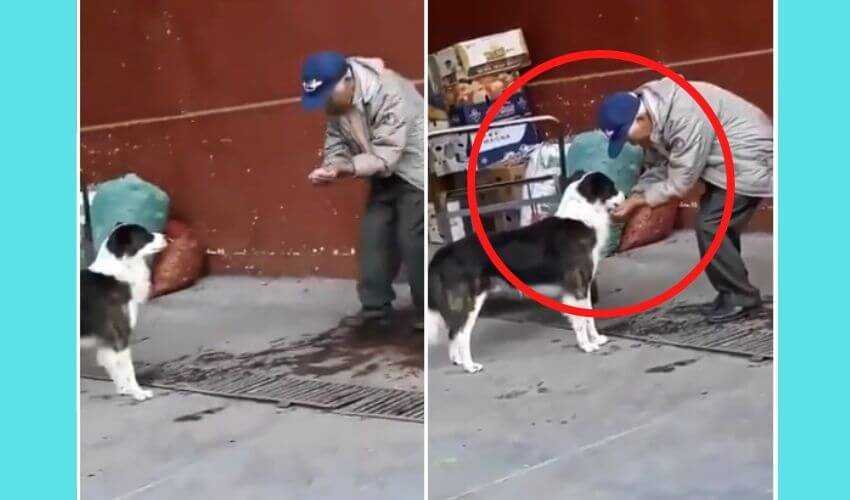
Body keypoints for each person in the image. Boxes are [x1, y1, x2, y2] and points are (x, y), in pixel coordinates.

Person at [597, 78, 773, 323]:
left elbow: (680, 181)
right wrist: (637, 195)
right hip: (721, 162)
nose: (631, 143)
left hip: (749, 159)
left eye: (628, 137)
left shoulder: (683, 116)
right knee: (716, 225)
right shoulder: (654, 112)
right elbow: (662, 165)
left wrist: (640, 202)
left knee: (712, 226)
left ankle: (740, 297)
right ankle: (733, 292)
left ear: (640, 119)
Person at [301, 51, 424, 329]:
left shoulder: (391, 90)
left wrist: (345, 168)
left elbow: (388, 153)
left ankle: (427, 310)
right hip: (380, 173)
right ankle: (374, 307)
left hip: (414, 171)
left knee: (411, 238)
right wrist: (332, 166)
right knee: (373, 235)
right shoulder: (337, 101)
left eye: (326, 96)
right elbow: (335, 141)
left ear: (347, 80)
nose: (325, 104)